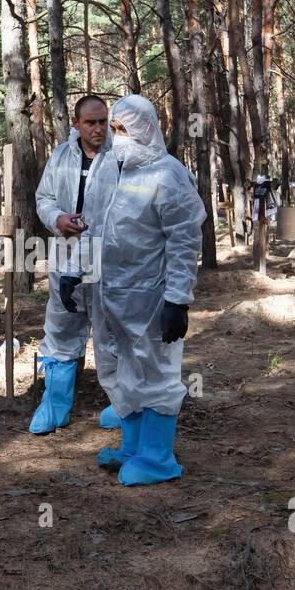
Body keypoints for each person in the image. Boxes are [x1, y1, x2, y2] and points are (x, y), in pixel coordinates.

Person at [89, 95, 205, 486]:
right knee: (125, 370)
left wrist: (178, 299)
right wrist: (76, 272)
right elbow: (97, 228)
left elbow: (184, 241)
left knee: (156, 370)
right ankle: (133, 447)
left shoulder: (168, 174)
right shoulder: (112, 169)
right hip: (114, 295)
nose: (117, 137)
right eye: (114, 128)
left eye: (125, 129)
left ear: (148, 128)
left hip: (153, 295)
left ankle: (157, 459)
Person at [29, 95, 122, 434]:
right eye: (90, 123)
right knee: (61, 326)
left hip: (107, 258)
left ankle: (123, 404)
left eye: (103, 122)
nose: (98, 129)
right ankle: (54, 406)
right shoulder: (61, 156)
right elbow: (44, 198)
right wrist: (58, 219)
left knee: (111, 331)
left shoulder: (120, 156)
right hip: (66, 252)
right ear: (77, 124)